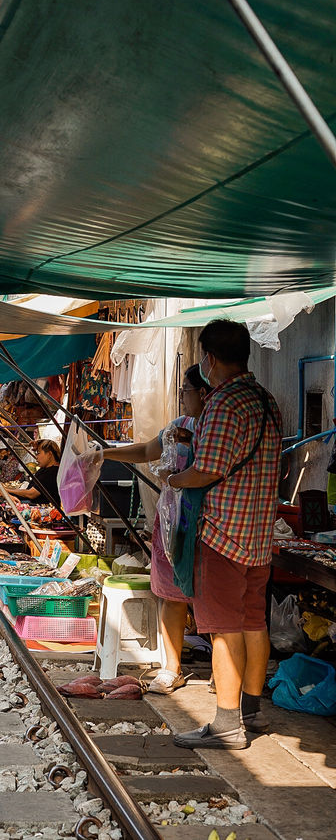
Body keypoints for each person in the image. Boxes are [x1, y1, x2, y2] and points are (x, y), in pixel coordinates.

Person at [158, 320, 282, 750]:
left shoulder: (225, 402)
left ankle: (227, 725)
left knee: (224, 628)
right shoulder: (265, 400)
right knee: (253, 622)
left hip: (223, 535)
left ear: (209, 358)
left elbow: (207, 470)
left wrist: (173, 482)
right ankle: (250, 711)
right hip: (258, 536)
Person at [103, 365, 210, 694]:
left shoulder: (217, 431)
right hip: (171, 522)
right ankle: (171, 667)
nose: (183, 398)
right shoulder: (179, 426)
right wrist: (104, 454)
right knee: (170, 595)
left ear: (204, 392)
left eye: (186, 391)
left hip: (206, 522)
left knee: (210, 599)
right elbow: (148, 450)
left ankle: (224, 672)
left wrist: (175, 480)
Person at [5, 438, 61, 507]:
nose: (36, 457)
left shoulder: (52, 472)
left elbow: (31, 494)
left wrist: (6, 490)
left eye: (38, 453)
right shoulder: (45, 469)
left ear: (49, 454)